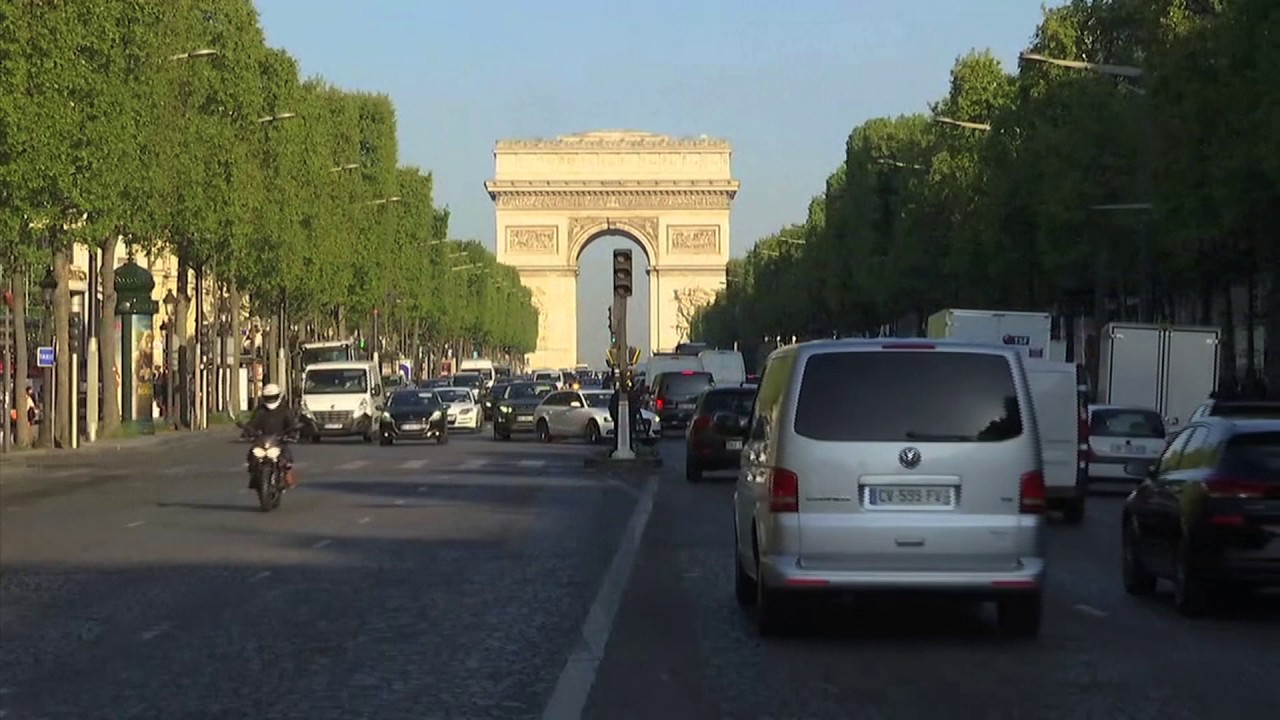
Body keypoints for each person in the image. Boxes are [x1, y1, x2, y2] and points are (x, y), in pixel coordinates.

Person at [242, 383, 299, 489]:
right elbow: (253, 423)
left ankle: (287, 477)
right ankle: (254, 476)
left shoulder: (284, 410)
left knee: (286, 458)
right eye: (268, 397)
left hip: (279, 440)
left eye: (273, 397)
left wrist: (292, 434)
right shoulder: (260, 410)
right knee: (252, 455)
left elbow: (292, 424)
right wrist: (247, 432)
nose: (271, 400)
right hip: (263, 440)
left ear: (279, 396)